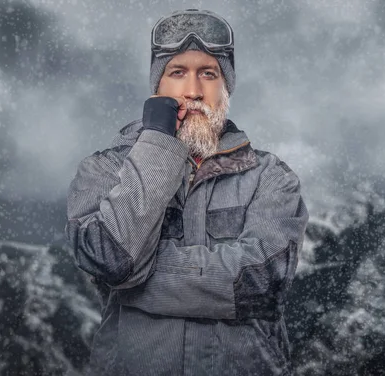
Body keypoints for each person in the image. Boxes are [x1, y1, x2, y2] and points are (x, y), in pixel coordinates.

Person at [65, 9, 308, 376]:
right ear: (157, 88)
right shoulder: (104, 170)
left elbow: (260, 282)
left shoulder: (271, 176)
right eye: (177, 72)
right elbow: (107, 257)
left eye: (208, 74)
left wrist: (134, 280)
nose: (193, 91)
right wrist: (159, 143)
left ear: (225, 86)